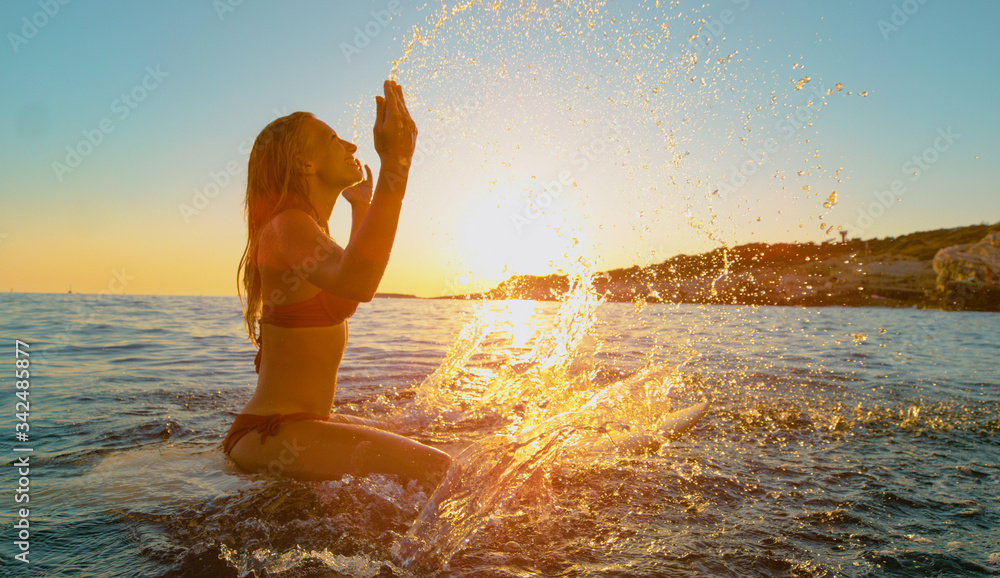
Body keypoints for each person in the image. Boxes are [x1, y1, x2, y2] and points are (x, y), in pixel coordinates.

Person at [224, 80, 451, 490]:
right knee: (442, 471)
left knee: (436, 451)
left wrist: (362, 206)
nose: (350, 145)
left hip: (297, 427)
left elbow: (343, 298)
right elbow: (358, 280)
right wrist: (396, 164)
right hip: (271, 433)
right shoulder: (286, 225)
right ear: (304, 165)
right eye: (332, 139)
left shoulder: (303, 230)